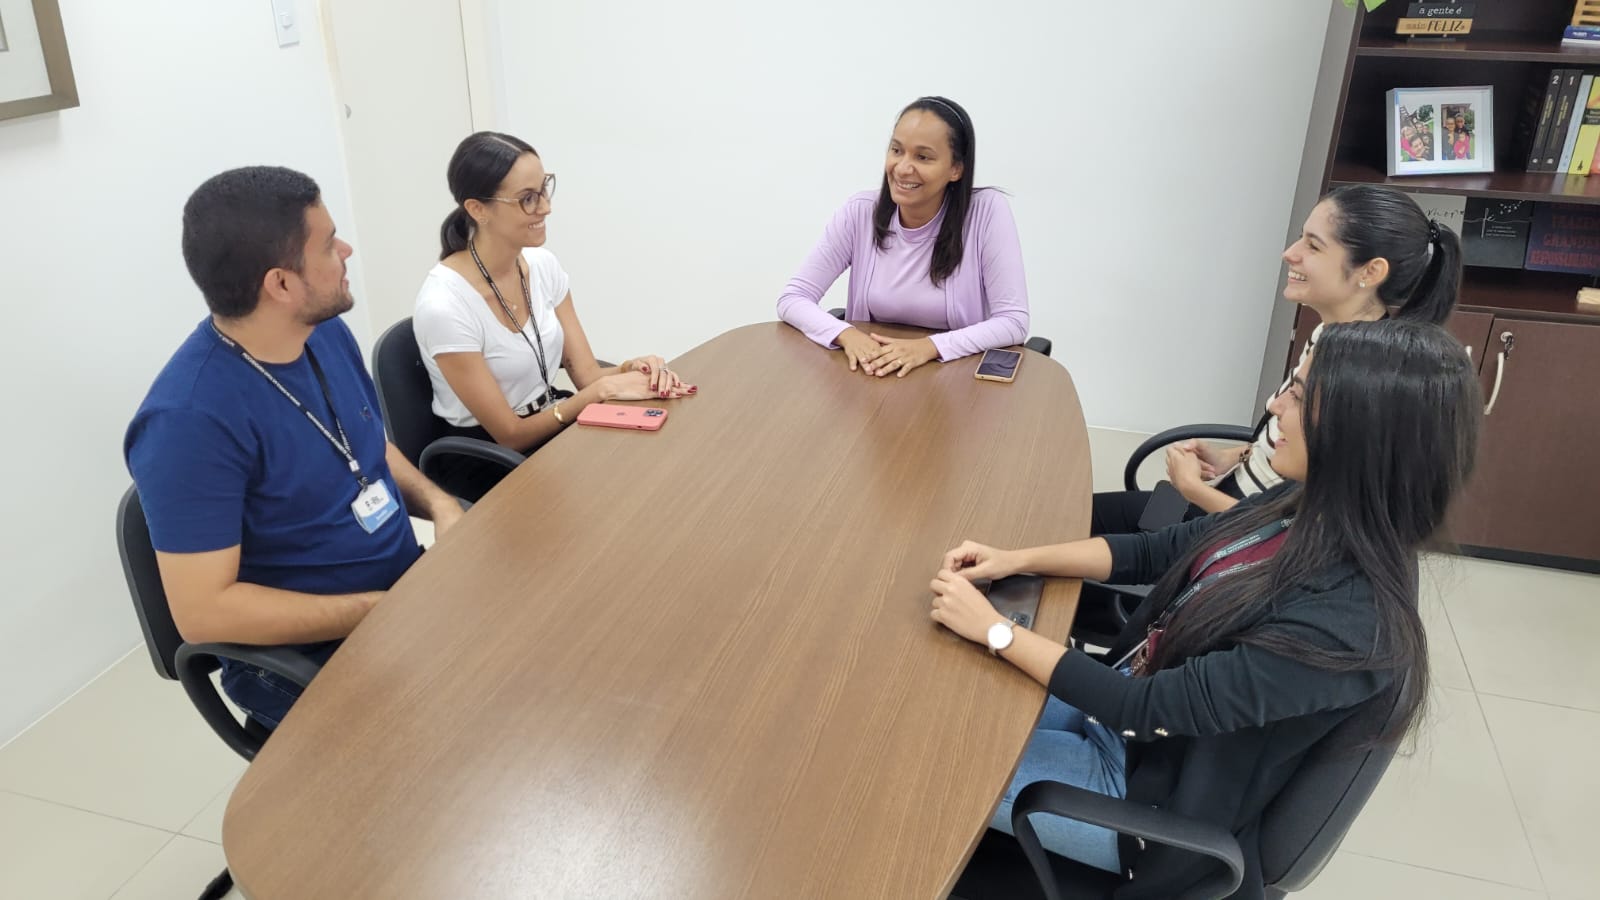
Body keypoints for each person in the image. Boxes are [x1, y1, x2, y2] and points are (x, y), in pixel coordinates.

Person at [930, 320, 1480, 897]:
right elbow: (1157, 549)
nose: (1274, 407)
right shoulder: (1304, 506)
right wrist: (1015, 559)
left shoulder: (1348, 624)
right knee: (937, 694)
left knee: (913, 762)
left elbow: (1143, 709)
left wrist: (996, 631)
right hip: (1121, 722)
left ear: (1356, 432)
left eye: (1297, 396)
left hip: (1140, 801)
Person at [126, 166, 464, 729]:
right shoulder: (187, 422)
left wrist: (441, 505)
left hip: (402, 597)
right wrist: (380, 611)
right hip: (307, 657)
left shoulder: (320, 332)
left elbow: (364, 449)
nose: (347, 250)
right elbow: (204, 613)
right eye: (329, 244)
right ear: (281, 284)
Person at [1091, 184, 1463, 536]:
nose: (1290, 253)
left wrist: (1192, 488)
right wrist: (1233, 458)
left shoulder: (1358, 379)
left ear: (1370, 271)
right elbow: (1296, 453)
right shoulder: (1327, 335)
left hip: (1233, 537)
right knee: (1072, 513)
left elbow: (1294, 534)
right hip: (1224, 499)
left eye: (1313, 246)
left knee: (1072, 536)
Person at [416, 131, 695, 500]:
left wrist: (632, 368)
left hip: (551, 420)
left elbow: (587, 375)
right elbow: (510, 435)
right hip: (488, 455)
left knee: (655, 471)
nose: (545, 208)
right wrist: (600, 392)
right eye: (527, 199)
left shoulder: (542, 266)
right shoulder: (444, 306)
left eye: (544, 189)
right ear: (478, 209)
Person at [776, 96, 1029, 377]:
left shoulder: (986, 211)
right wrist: (845, 334)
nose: (902, 168)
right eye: (897, 150)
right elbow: (793, 298)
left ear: (956, 168)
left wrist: (930, 347)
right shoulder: (861, 212)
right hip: (875, 374)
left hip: (955, 378)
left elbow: (1013, 321)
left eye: (923, 157)